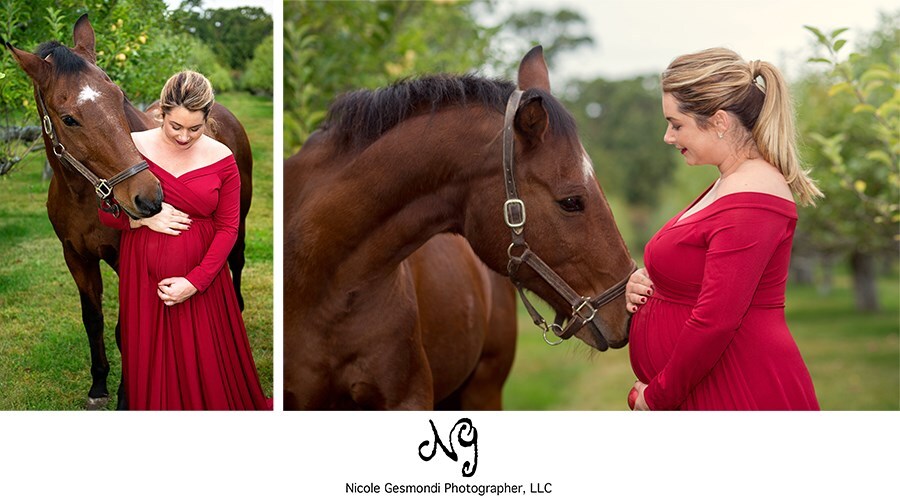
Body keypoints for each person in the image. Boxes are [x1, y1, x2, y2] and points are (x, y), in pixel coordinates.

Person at [625, 48, 821, 411]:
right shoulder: (729, 183)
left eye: (676, 124)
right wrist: (650, 281)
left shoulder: (753, 194)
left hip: (738, 387)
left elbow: (717, 320)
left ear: (719, 122)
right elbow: (700, 272)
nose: (668, 137)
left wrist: (658, 397)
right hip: (710, 384)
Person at [99, 70, 270, 410]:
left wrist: (195, 282)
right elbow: (105, 213)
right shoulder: (132, 147)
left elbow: (228, 228)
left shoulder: (223, 159)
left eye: (195, 128)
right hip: (143, 278)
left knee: (207, 363)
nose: (183, 136)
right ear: (161, 112)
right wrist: (142, 220)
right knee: (151, 358)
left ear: (207, 118)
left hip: (203, 279)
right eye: (175, 126)